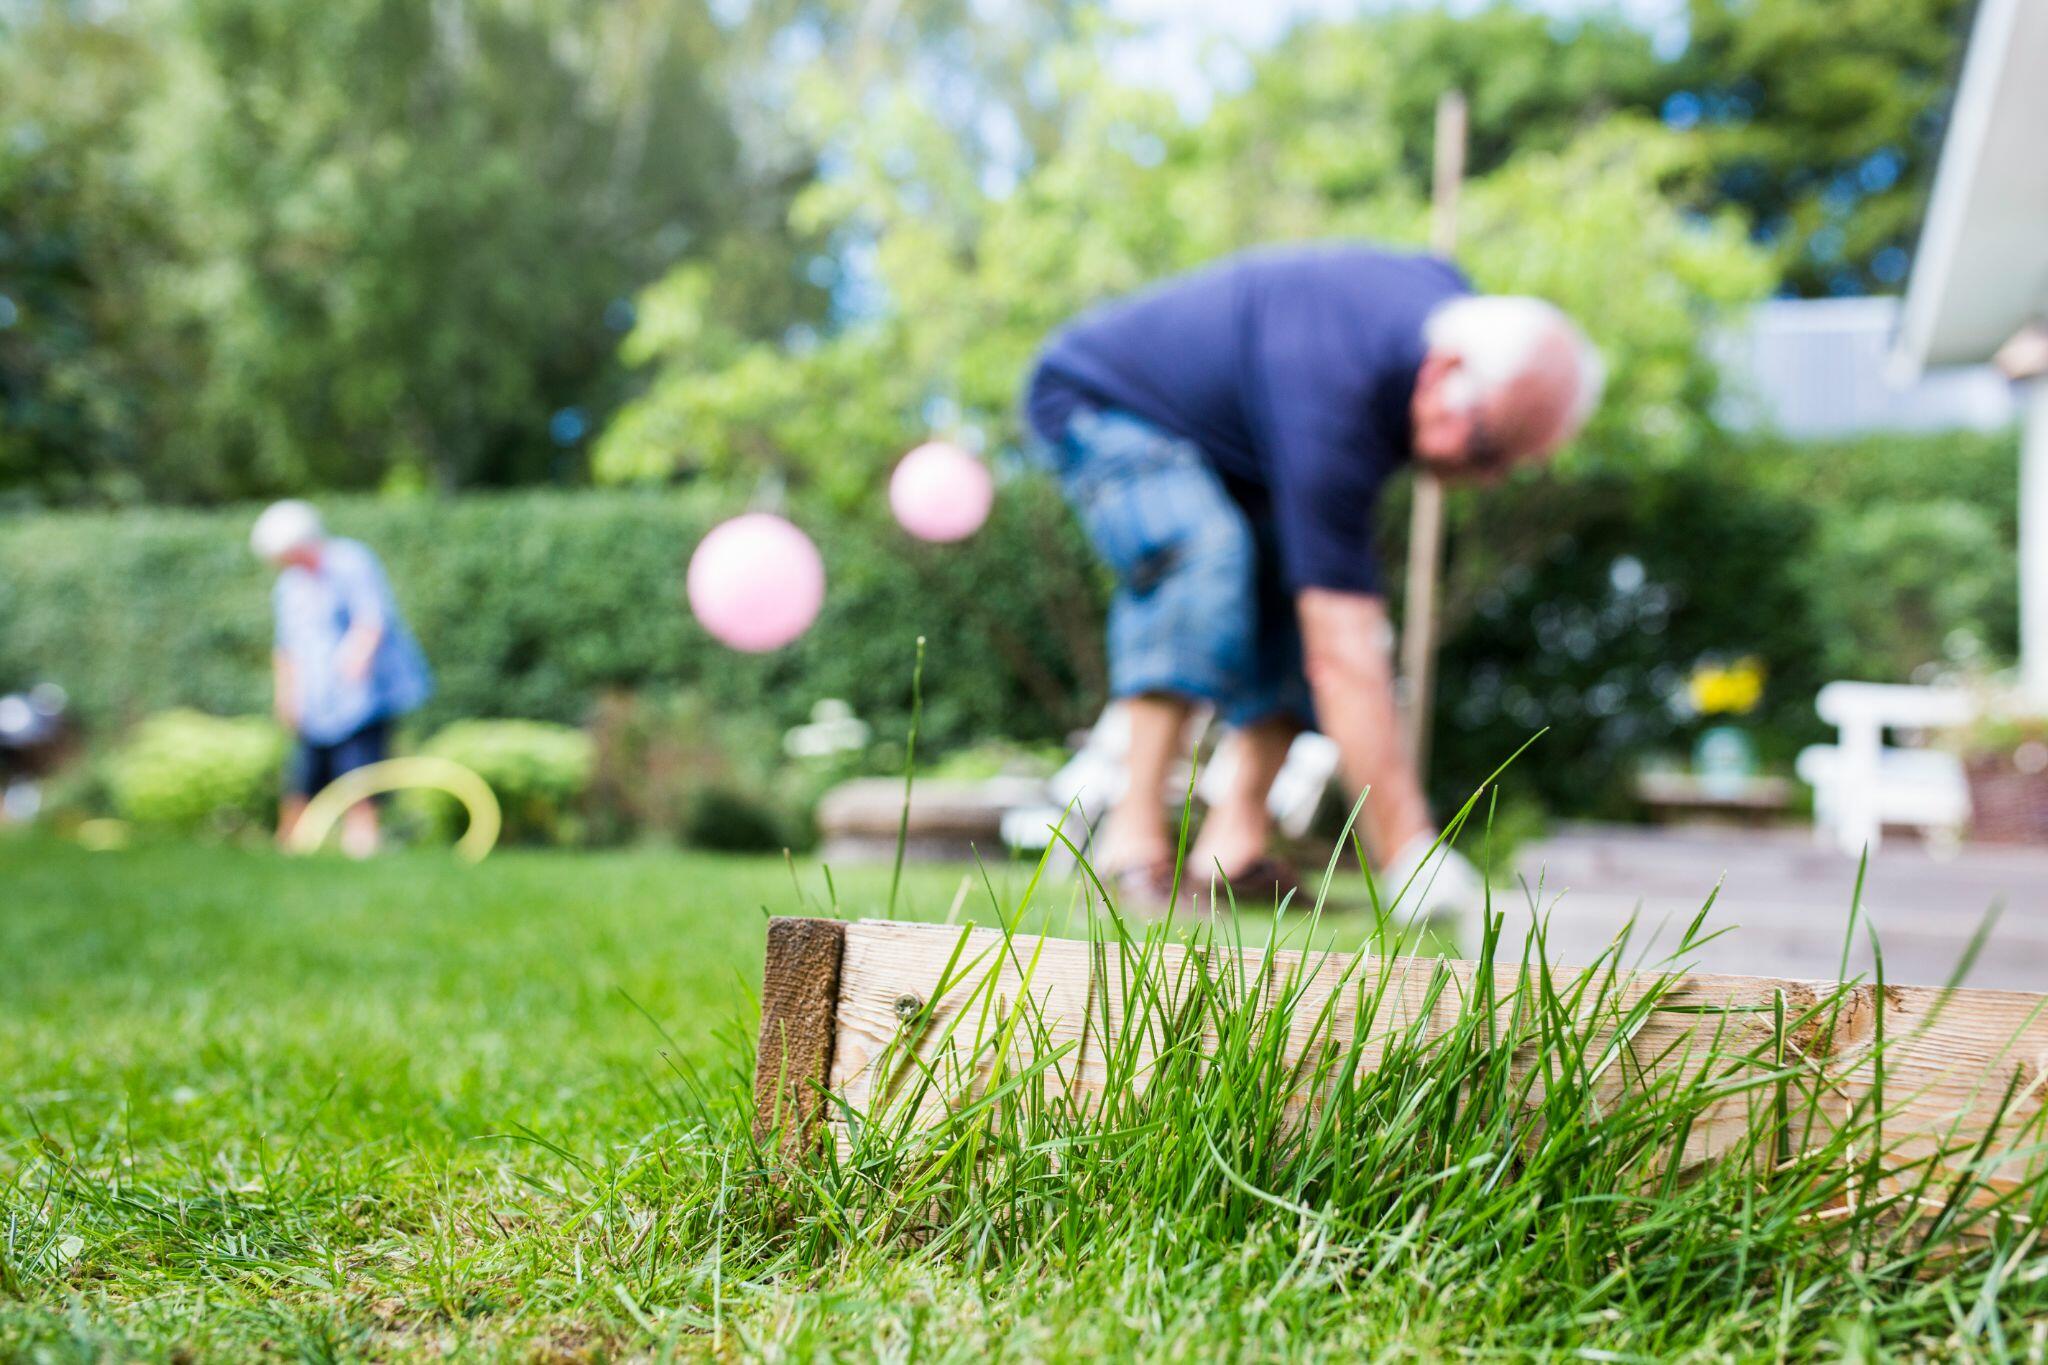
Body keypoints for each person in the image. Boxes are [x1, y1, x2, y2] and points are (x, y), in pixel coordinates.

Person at [1024, 243, 1603, 914]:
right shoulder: (1338, 393)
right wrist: (1410, 851)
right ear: (1444, 372)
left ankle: (1232, 849)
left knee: (1306, 595)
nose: (1487, 478)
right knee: (1203, 553)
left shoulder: (1441, 314)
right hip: (1103, 401)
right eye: (1485, 448)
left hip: (1239, 451)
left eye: (1510, 464)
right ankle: (1131, 843)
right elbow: (1346, 654)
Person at [251, 500, 433, 857]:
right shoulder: (289, 586)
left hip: (363, 698)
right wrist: (286, 694)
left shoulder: (350, 561)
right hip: (316, 700)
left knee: (360, 772)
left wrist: (356, 659)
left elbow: (372, 618)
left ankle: (362, 845)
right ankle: (291, 848)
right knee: (304, 774)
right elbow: (286, 646)